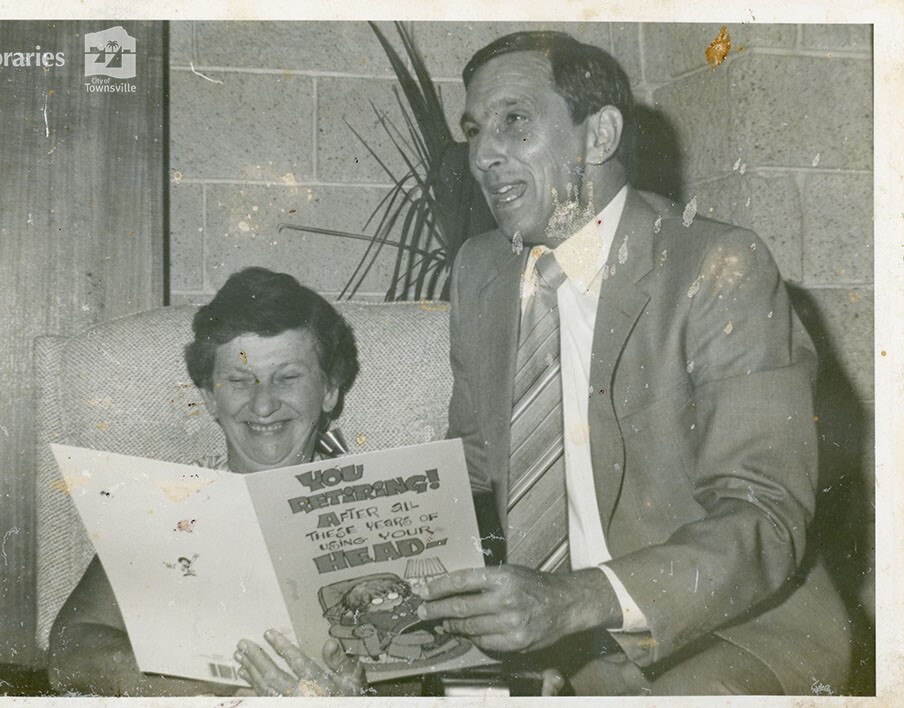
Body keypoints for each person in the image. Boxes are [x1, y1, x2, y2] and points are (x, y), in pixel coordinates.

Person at [416, 31, 851, 695]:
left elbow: (763, 514)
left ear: (599, 135)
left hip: (722, 632)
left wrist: (579, 602)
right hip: (553, 647)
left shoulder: (719, 266)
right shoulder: (481, 272)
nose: (482, 155)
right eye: (474, 130)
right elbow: (472, 470)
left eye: (514, 122)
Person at [47, 267, 367, 697]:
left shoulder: (369, 506)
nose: (263, 404)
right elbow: (69, 651)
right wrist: (222, 685)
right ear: (211, 397)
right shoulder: (168, 503)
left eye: (287, 378)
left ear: (329, 390)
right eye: (239, 381)